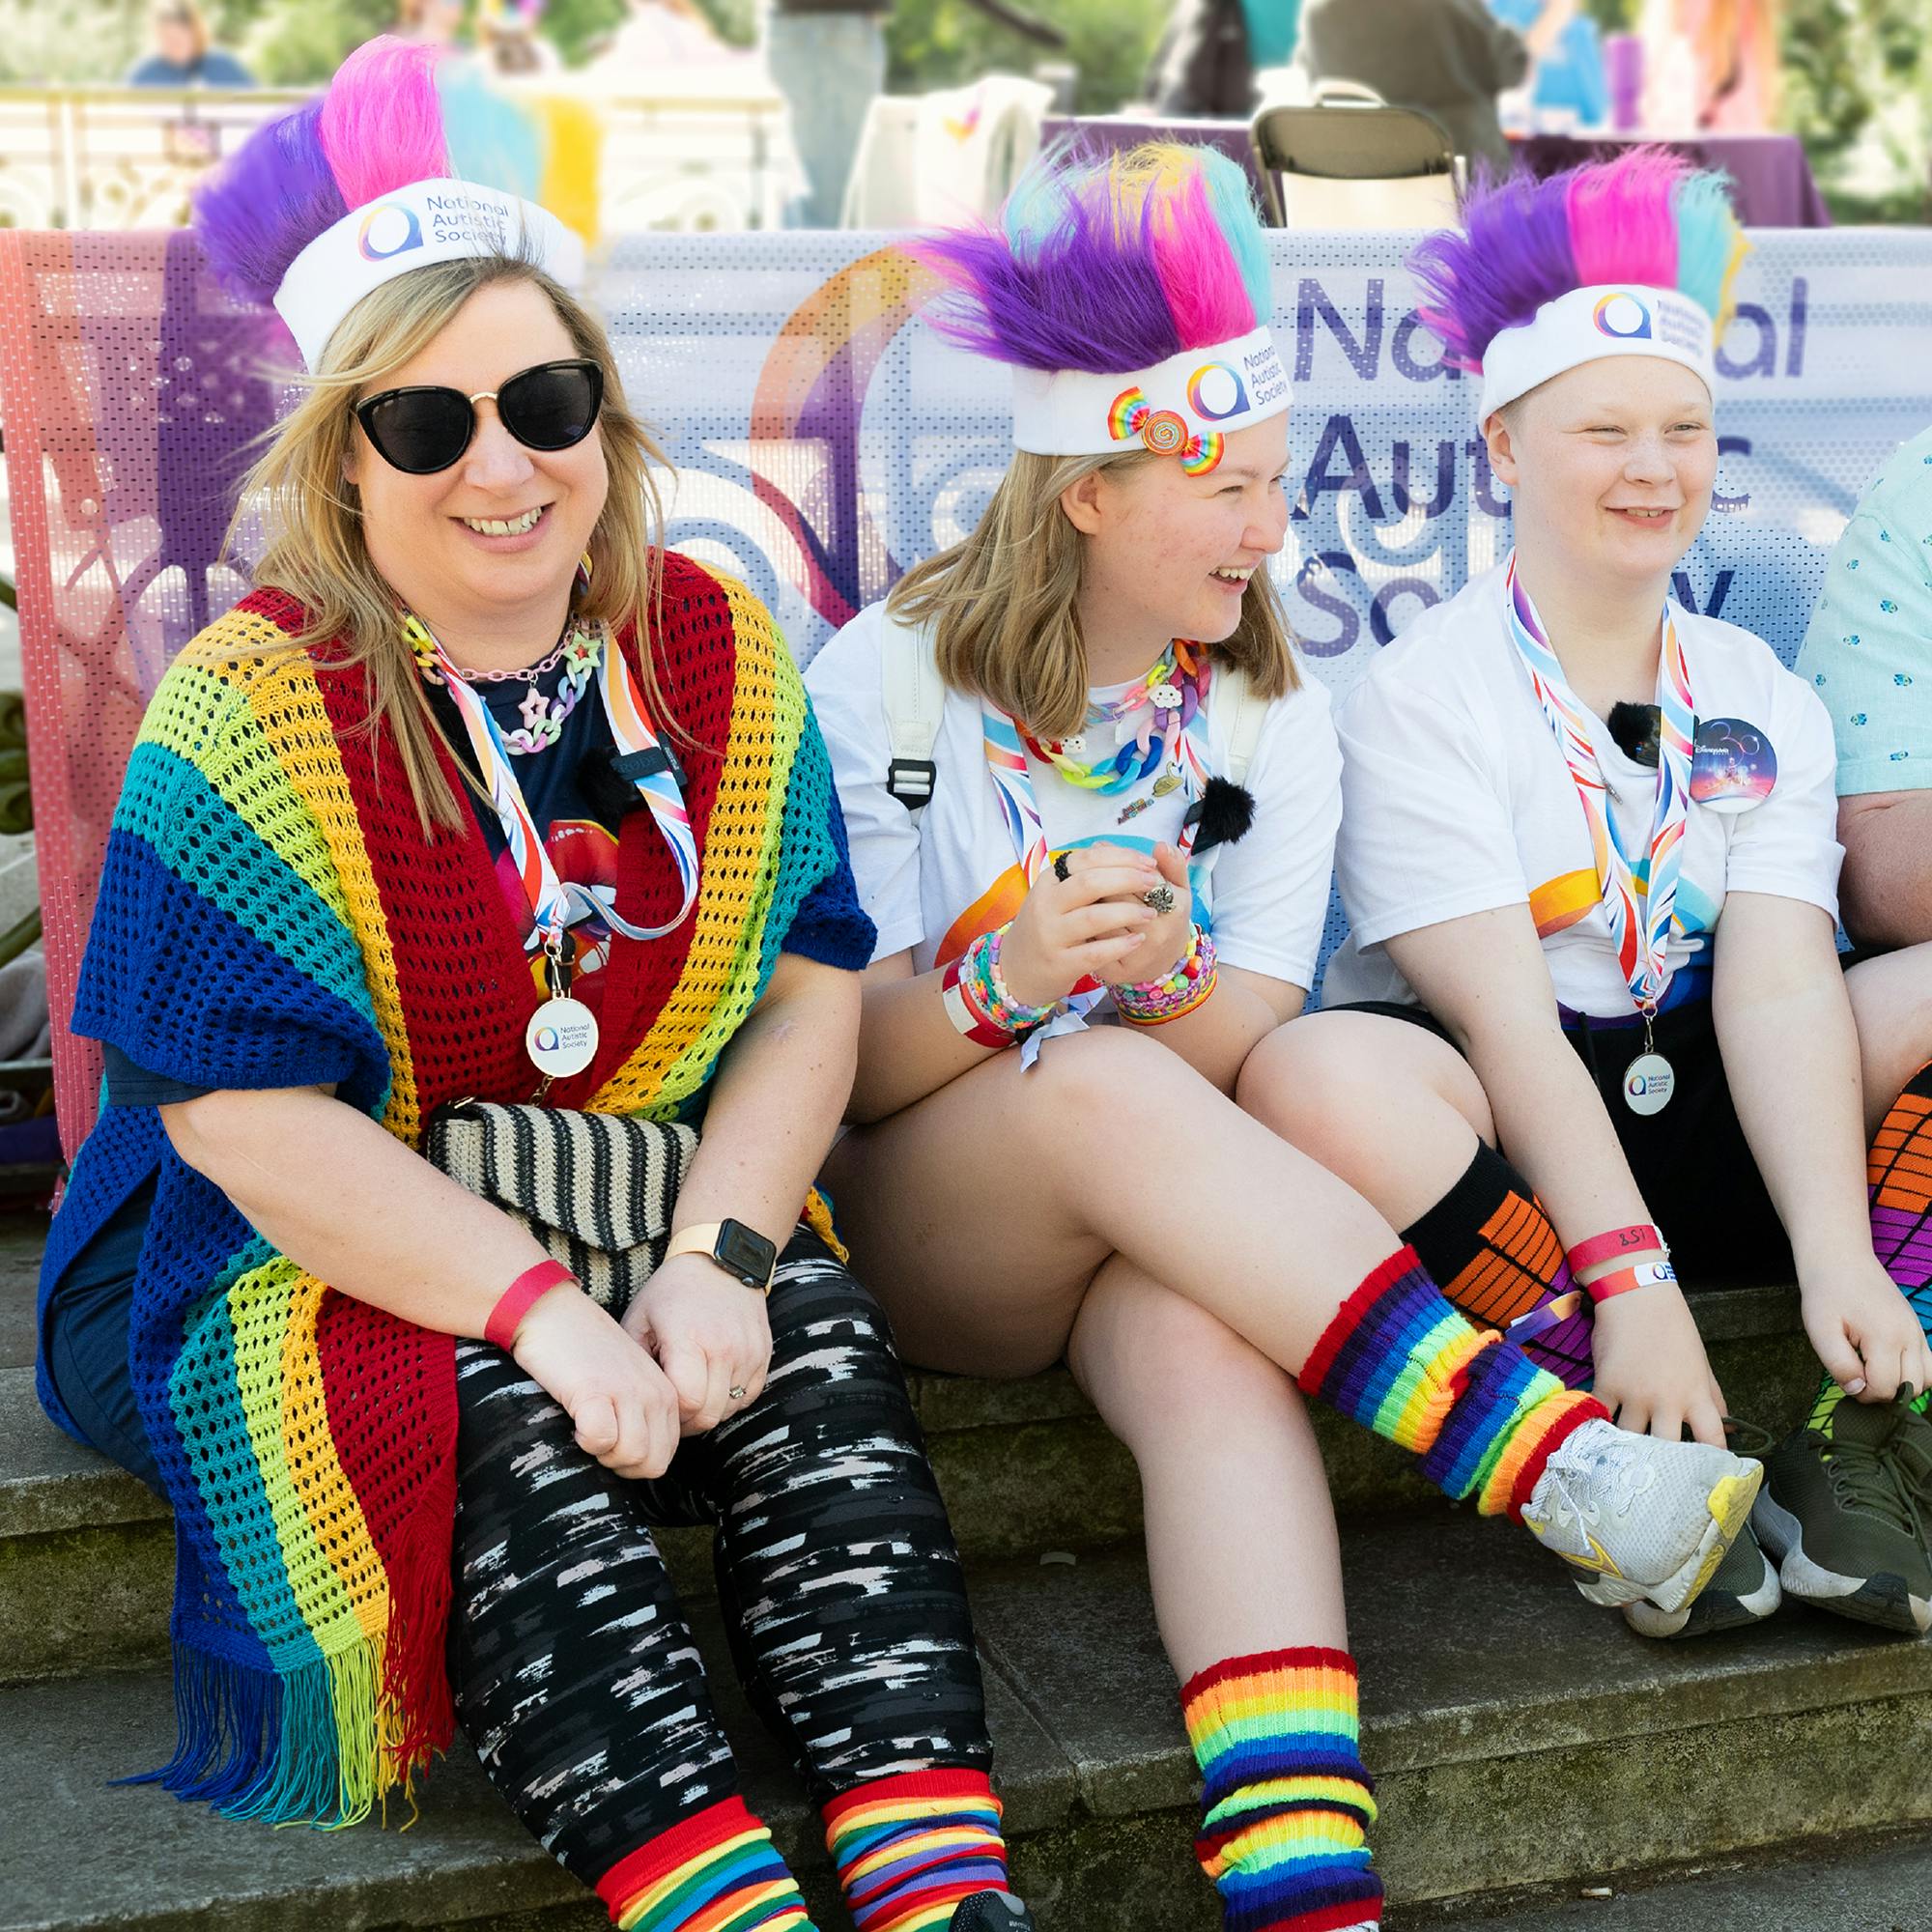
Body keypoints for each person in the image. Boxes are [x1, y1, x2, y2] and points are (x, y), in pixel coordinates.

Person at [34, 38, 1034, 1932]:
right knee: (482, 1401)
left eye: (546, 398)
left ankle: (936, 1891)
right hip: (249, 1242)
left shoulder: (716, 646)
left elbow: (815, 983)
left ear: (607, 418)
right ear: (345, 453)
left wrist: (726, 1258)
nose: (500, 463)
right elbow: (244, 1121)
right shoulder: (247, 703)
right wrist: (548, 1315)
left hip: (619, 1187)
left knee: (811, 1347)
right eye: (425, 424)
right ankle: (720, 1904)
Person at [807, 140, 1766, 1932]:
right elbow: (823, 1071)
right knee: (1082, 1075)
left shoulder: (1267, 707)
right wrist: (995, 984)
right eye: (1233, 493)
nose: (1276, 535)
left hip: (1159, 1189)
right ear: (1091, 494)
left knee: (1205, 1335)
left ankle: (1305, 1884)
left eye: (1278, 485)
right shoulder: (879, 679)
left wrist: (1151, 980)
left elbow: (1251, 1031)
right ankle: (1544, 1455)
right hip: (933, 1224)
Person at [1261, 149, 1932, 1641]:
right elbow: (1500, 1023)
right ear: (1501, 444)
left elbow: (1774, 981)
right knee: (1316, 1069)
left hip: (1730, 1097)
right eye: (1606, 428)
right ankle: (1619, 1439)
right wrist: (1630, 1282)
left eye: (1685, 429)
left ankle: (1867, 1434)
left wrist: (1830, 1255)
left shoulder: (1756, 688)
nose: (1655, 466)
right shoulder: (1420, 692)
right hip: (1530, 1147)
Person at [1294, 0, 1533, 176]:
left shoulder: (1318, 14)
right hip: (1467, 201)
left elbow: (1313, 83)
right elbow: (1516, 67)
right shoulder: (1452, 8)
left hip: (1361, 202)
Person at [126, 0, 254, 87]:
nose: (174, 45)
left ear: (196, 33)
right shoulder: (145, 74)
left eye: (179, 39)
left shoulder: (224, 67)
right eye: (168, 39)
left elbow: (259, 115)